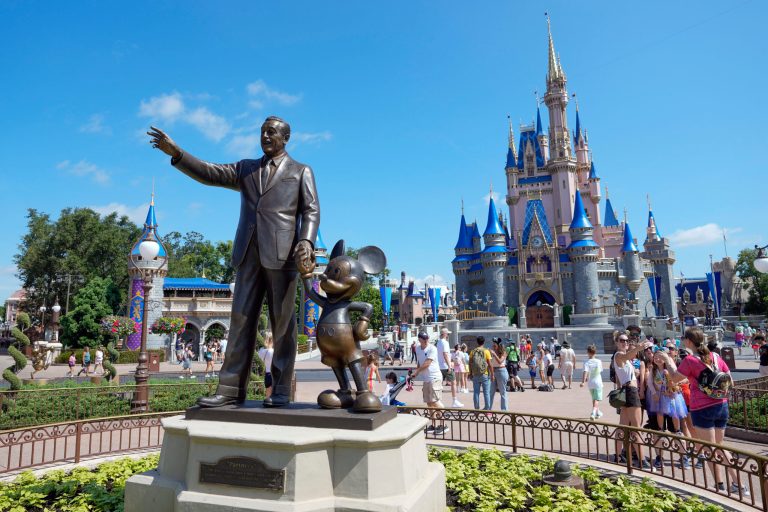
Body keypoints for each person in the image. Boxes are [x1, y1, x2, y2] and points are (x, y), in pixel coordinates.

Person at [149, 117, 320, 409]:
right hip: (248, 254)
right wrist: (178, 154)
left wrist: (306, 241)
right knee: (240, 320)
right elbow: (211, 173)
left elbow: (311, 210)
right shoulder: (246, 168)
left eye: (272, 132)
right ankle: (230, 389)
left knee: (282, 325)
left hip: (283, 255)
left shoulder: (300, 171)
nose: (265, 136)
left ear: (285, 138)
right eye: (262, 132)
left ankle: (280, 389)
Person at [657, 328, 747, 495]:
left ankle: (732, 485)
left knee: (710, 448)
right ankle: (729, 484)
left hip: (702, 408)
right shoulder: (716, 356)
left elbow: (675, 377)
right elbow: (730, 380)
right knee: (717, 446)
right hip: (721, 405)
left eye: (684, 338)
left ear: (689, 341)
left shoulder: (690, 360)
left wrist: (668, 361)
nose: (683, 341)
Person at [613, 332, 654, 469]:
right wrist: (638, 348)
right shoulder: (619, 355)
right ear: (616, 342)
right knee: (636, 428)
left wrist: (637, 348)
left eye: (626, 340)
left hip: (627, 391)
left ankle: (618, 455)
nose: (625, 343)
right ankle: (642, 460)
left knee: (623, 426)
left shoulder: (624, 357)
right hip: (630, 392)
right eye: (622, 340)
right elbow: (626, 356)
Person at [412, 331, 448, 435]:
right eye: (424, 338)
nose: (427, 340)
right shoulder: (418, 348)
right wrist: (415, 372)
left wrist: (417, 372)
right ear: (420, 340)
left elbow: (427, 363)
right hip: (426, 379)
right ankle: (434, 425)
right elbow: (419, 362)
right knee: (429, 402)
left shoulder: (432, 348)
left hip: (435, 377)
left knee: (435, 401)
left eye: (427, 338)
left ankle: (443, 425)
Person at [436, 327, 462, 408]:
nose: (448, 335)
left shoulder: (438, 342)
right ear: (444, 334)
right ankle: (454, 401)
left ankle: (438, 400)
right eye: (447, 334)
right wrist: (449, 366)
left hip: (439, 366)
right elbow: (445, 354)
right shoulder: (445, 343)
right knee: (453, 383)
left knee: (439, 384)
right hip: (446, 366)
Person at [468, 336, 493, 410]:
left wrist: (470, 373)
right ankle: (487, 409)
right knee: (486, 393)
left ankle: (476, 409)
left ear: (477, 342)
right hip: (484, 374)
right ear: (484, 342)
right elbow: (490, 364)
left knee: (476, 393)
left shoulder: (473, 351)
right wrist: (492, 374)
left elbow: (470, 363)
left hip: (475, 374)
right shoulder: (486, 351)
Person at [580, 344, 603, 420]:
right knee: (596, 399)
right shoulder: (598, 361)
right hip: (598, 382)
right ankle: (593, 413)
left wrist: (583, 381)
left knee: (594, 398)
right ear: (595, 352)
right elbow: (600, 371)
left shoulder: (586, 362)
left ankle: (597, 412)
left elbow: (585, 371)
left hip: (590, 383)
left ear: (588, 352)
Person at [490, 339, 509, 410]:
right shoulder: (492, 352)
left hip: (501, 371)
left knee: (503, 392)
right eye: (493, 345)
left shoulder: (503, 352)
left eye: (494, 345)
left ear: (498, 346)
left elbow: (500, 361)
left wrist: (494, 354)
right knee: (491, 392)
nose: (493, 347)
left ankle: (504, 410)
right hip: (493, 371)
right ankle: (488, 409)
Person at [257, 331, 275, 398]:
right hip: (273, 374)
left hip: (267, 374)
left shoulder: (261, 350)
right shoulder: (272, 351)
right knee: (273, 394)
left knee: (267, 393)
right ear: (271, 340)